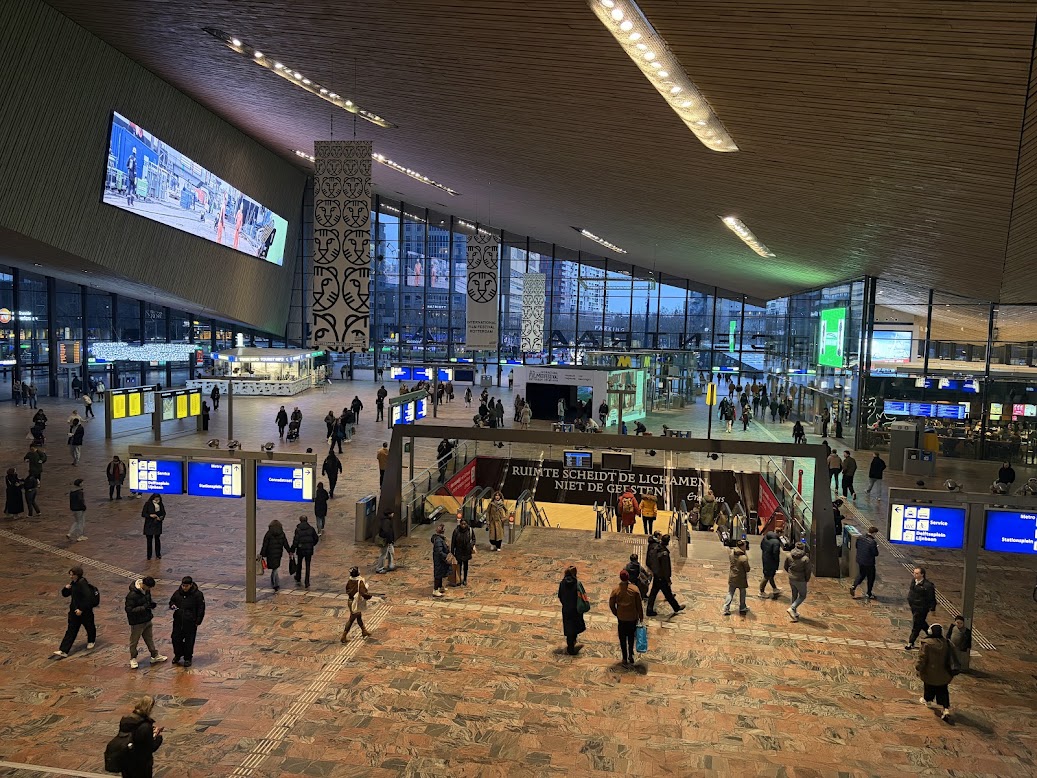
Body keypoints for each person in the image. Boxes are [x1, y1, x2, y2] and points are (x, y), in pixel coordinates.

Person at [53, 565, 96, 658]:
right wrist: (66, 588)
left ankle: (91, 640)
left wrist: (81, 609)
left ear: (77, 575)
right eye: (70, 575)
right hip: (74, 611)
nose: (71, 577)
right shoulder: (73, 583)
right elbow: (65, 594)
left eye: (72, 575)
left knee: (89, 626)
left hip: (84, 612)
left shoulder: (82, 584)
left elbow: (87, 598)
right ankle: (64, 650)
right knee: (71, 630)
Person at [116, 695, 164, 777]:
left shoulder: (125, 720)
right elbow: (149, 747)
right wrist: (157, 737)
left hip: (126, 759)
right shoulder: (145, 726)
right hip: (141, 765)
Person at [916, 624, 956, 721]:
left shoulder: (927, 644)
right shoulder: (947, 643)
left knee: (929, 686)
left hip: (930, 672)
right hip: (944, 673)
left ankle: (928, 700)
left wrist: (918, 668)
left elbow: (922, 659)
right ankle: (945, 709)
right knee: (943, 691)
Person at [125, 576, 166, 669]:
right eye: (149, 587)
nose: (149, 589)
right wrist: (144, 607)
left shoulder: (146, 591)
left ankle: (154, 655)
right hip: (137, 622)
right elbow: (129, 610)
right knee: (134, 641)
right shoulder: (132, 595)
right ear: (143, 584)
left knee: (149, 639)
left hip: (147, 619)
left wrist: (151, 604)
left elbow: (148, 601)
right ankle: (133, 658)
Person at [609, 569, 645, 666]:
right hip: (632, 617)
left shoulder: (616, 590)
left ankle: (624, 657)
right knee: (631, 637)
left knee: (622, 638)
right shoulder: (634, 590)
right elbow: (639, 605)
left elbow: (611, 604)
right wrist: (641, 617)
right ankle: (630, 655)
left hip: (622, 618)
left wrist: (616, 613)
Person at [168, 576, 205, 668]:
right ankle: (178, 654)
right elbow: (172, 601)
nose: (184, 588)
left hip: (190, 622)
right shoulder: (178, 593)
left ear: (191, 585)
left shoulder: (198, 595)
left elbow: (201, 608)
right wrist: (172, 605)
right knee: (175, 639)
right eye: (183, 585)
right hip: (178, 621)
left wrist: (198, 621)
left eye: (186, 586)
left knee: (189, 641)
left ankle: (188, 658)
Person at [646, 534, 685, 616]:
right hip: (662, 577)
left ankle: (649, 610)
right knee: (667, 593)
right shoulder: (664, 554)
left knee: (654, 593)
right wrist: (668, 579)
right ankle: (676, 607)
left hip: (657, 575)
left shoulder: (657, 548)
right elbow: (666, 568)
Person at [905, 566, 937, 650]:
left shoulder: (928, 586)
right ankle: (932, 635)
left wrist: (933, 608)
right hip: (913, 606)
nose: (914, 575)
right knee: (921, 623)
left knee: (916, 625)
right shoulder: (913, 581)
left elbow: (932, 598)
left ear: (922, 574)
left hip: (922, 608)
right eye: (914, 573)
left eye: (917, 573)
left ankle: (911, 642)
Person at [558, 566, 586, 655]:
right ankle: (572, 643)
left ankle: (570, 644)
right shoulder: (577, 583)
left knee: (569, 626)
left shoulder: (562, 583)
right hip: (575, 609)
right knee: (575, 625)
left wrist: (564, 603)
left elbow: (560, 595)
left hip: (566, 608)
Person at [341, 566, 373, 641]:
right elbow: (363, 592)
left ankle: (364, 631)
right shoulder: (360, 581)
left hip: (350, 601)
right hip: (355, 602)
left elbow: (347, 590)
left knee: (359, 616)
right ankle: (343, 636)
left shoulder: (350, 580)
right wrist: (368, 596)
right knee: (351, 619)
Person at [784, 541, 813, 622]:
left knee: (794, 594)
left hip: (791, 578)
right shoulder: (805, 559)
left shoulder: (789, 555)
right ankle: (792, 608)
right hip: (800, 579)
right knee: (802, 595)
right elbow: (808, 571)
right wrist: (807, 579)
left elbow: (785, 566)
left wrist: (790, 573)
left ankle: (794, 613)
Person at [260, 519, 291, 592]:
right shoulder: (282, 533)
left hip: (270, 554)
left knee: (275, 568)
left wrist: (262, 554)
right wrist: (289, 551)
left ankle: (275, 583)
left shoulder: (268, 534)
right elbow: (285, 543)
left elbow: (265, 545)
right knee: (275, 568)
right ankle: (275, 583)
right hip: (278, 553)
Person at [850, 526, 880, 600]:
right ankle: (868, 593)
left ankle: (854, 586)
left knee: (861, 574)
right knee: (871, 577)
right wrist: (875, 547)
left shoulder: (860, 537)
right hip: (869, 562)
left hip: (860, 560)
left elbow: (856, 546)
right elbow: (875, 553)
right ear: (874, 533)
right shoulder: (872, 542)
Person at [723, 539, 751, 616]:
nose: (746, 547)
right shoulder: (743, 558)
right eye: (745, 545)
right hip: (741, 578)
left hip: (732, 576)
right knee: (742, 592)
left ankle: (726, 607)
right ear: (742, 546)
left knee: (730, 592)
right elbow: (747, 569)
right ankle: (742, 607)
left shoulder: (731, 553)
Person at [291, 515, 319, 588]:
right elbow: (316, 538)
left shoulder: (298, 529)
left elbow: (295, 541)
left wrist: (292, 549)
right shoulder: (311, 529)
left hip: (300, 549)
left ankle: (298, 576)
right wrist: (312, 545)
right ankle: (307, 581)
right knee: (308, 565)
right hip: (309, 550)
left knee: (299, 563)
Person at [139, 494, 166, 560]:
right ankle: (149, 555)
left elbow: (163, 513)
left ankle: (158, 554)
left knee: (157, 539)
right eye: (156, 498)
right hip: (149, 524)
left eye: (158, 498)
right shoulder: (148, 504)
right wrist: (150, 515)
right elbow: (143, 514)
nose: (157, 500)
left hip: (157, 524)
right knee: (149, 541)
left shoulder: (160, 504)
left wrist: (161, 518)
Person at [451, 518, 475, 587]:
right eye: (462, 524)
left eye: (465, 524)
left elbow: (473, 539)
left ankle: (465, 579)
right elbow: (453, 542)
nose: (463, 525)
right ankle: (458, 579)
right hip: (459, 551)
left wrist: (471, 545)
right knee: (459, 566)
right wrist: (452, 552)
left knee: (466, 566)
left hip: (466, 551)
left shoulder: (470, 530)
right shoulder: (456, 531)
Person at [759, 530, 782, 598]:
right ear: (779, 533)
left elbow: (761, 546)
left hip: (765, 558)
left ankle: (774, 588)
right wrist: (777, 562)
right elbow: (776, 554)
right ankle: (761, 591)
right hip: (771, 561)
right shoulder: (776, 542)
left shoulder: (766, 537)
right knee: (767, 576)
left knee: (770, 575)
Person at [431, 523, 450, 597]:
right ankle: (435, 589)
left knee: (441, 573)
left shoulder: (440, 538)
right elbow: (439, 551)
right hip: (439, 560)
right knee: (438, 574)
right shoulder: (439, 540)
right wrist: (446, 556)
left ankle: (439, 587)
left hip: (441, 560)